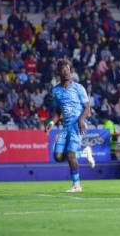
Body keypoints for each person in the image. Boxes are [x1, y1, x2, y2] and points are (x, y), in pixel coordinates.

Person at [45, 60, 95, 193]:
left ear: (70, 71)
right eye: (63, 70)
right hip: (65, 127)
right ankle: (84, 152)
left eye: (68, 69)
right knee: (58, 156)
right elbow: (57, 111)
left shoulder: (79, 88)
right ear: (59, 73)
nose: (66, 72)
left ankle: (77, 185)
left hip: (78, 125)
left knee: (71, 154)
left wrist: (81, 119)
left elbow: (87, 109)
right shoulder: (55, 90)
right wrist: (51, 123)